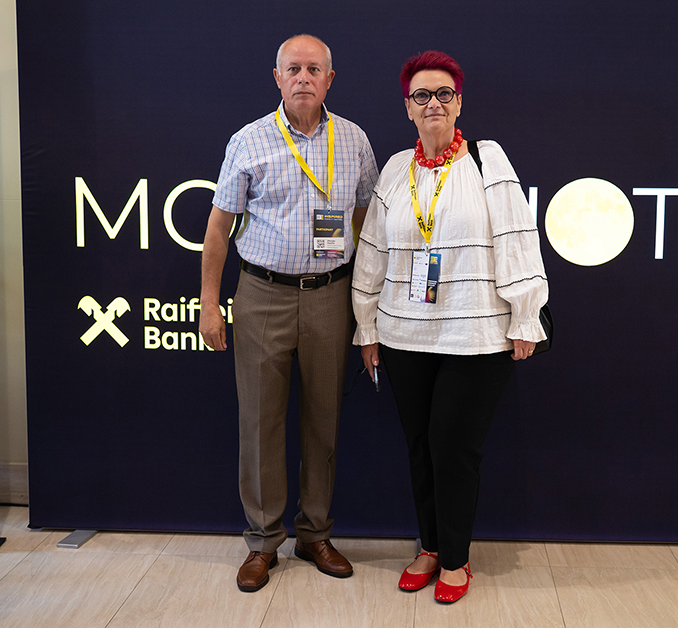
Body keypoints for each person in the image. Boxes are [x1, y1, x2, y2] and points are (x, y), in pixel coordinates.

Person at [352, 50, 548, 603]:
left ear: (459, 103)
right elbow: (373, 250)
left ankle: (456, 559)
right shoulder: (396, 168)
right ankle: (431, 547)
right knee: (420, 445)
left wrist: (525, 314)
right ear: (408, 107)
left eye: (443, 94)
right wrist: (366, 326)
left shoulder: (488, 160)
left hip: (476, 336)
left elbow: (516, 236)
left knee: (453, 447)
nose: (433, 103)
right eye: (422, 95)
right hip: (402, 334)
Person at [200, 34, 379, 592]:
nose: (303, 77)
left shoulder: (354, 140)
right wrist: (210, 304)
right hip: (263, 294)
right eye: (293, 69)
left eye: (314, 69)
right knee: (260, 421)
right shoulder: (248, 140)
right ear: (276, 78)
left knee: (324, 417)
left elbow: (366, 220)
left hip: (330, 294)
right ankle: (262, 542)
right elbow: (218, 228)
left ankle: (315, 533)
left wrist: (367, 298)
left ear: (330, 79)